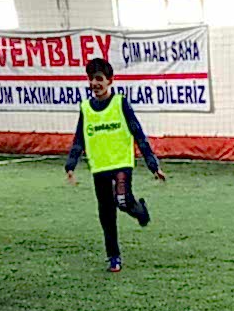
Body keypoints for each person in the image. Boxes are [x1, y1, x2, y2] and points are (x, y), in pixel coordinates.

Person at [65, 58, 165, 272]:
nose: (95, 83)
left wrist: (153, 164)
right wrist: (70, 165)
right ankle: (113, 256)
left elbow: (138, 133)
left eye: (99, 79)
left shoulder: (121, 103)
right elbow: (79, 139)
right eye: (91, 79)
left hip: (121, 164)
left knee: (122, 199)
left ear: (110, 81)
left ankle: (140, 211)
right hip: (99, 167)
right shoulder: (86, 108)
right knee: (106, 213)